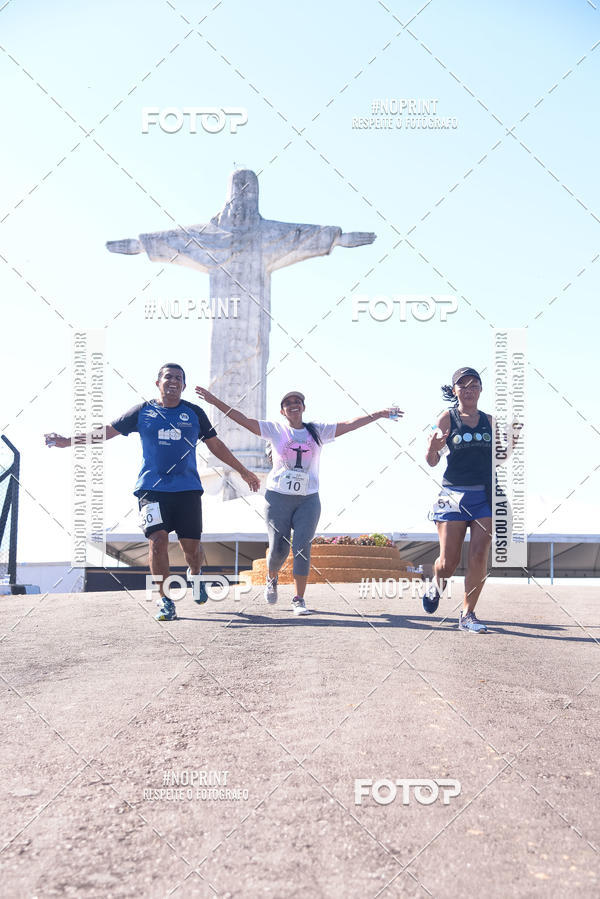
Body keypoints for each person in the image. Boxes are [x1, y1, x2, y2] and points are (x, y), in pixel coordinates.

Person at [44, 363, 260, 621]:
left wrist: (244, 471)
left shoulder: (194, 413)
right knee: (157, 542)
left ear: (184, 386)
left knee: (191, 549)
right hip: (151, 489)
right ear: (157, 382)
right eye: (168, 377)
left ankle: (196, 575)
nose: (173, 381)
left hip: (188, 490)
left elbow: (216, 445)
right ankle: (165, 600)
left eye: (179, 378)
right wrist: (68, 441)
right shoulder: (142, 411)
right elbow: (106, 432)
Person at [195, 386, 402, 616]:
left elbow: (350, 423)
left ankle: (299, 599)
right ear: (282, 411)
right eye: (288, 403)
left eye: (298, 401)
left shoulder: (316, 431)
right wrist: (214, 400)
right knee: (278, 550)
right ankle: (271, 577)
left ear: (303, 407)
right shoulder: (274, 430)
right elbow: (242, 419)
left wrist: (380, 414)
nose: (293, 404)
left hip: (308, 499)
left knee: (303, 547)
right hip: (277, 499)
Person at [423, 366, 499, 632]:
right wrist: (433, 447)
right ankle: (436, 583)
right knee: (448, 562)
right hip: (453, 495)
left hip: (484, 496)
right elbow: (432, 461)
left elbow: (497, 461)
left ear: (480, 389)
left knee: (479, 554)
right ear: (454, 391)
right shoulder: (446, 418)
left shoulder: (491, 421)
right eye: (463, 385)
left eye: (474, 385)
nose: (469, 390)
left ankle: (468, 614)